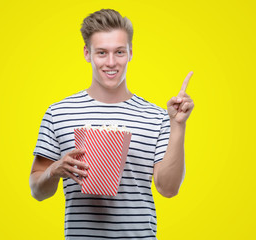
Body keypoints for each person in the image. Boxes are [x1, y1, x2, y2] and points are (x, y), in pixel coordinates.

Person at [29, 8, 194, 240]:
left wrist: (178, 125)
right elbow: (37, 191)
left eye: (119, 52)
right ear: (87, 54)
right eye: (101, 53)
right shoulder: (59, 113)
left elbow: (168, 189)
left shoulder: (156, 116)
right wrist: (54, 171)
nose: (111, 62)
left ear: (130, 53)